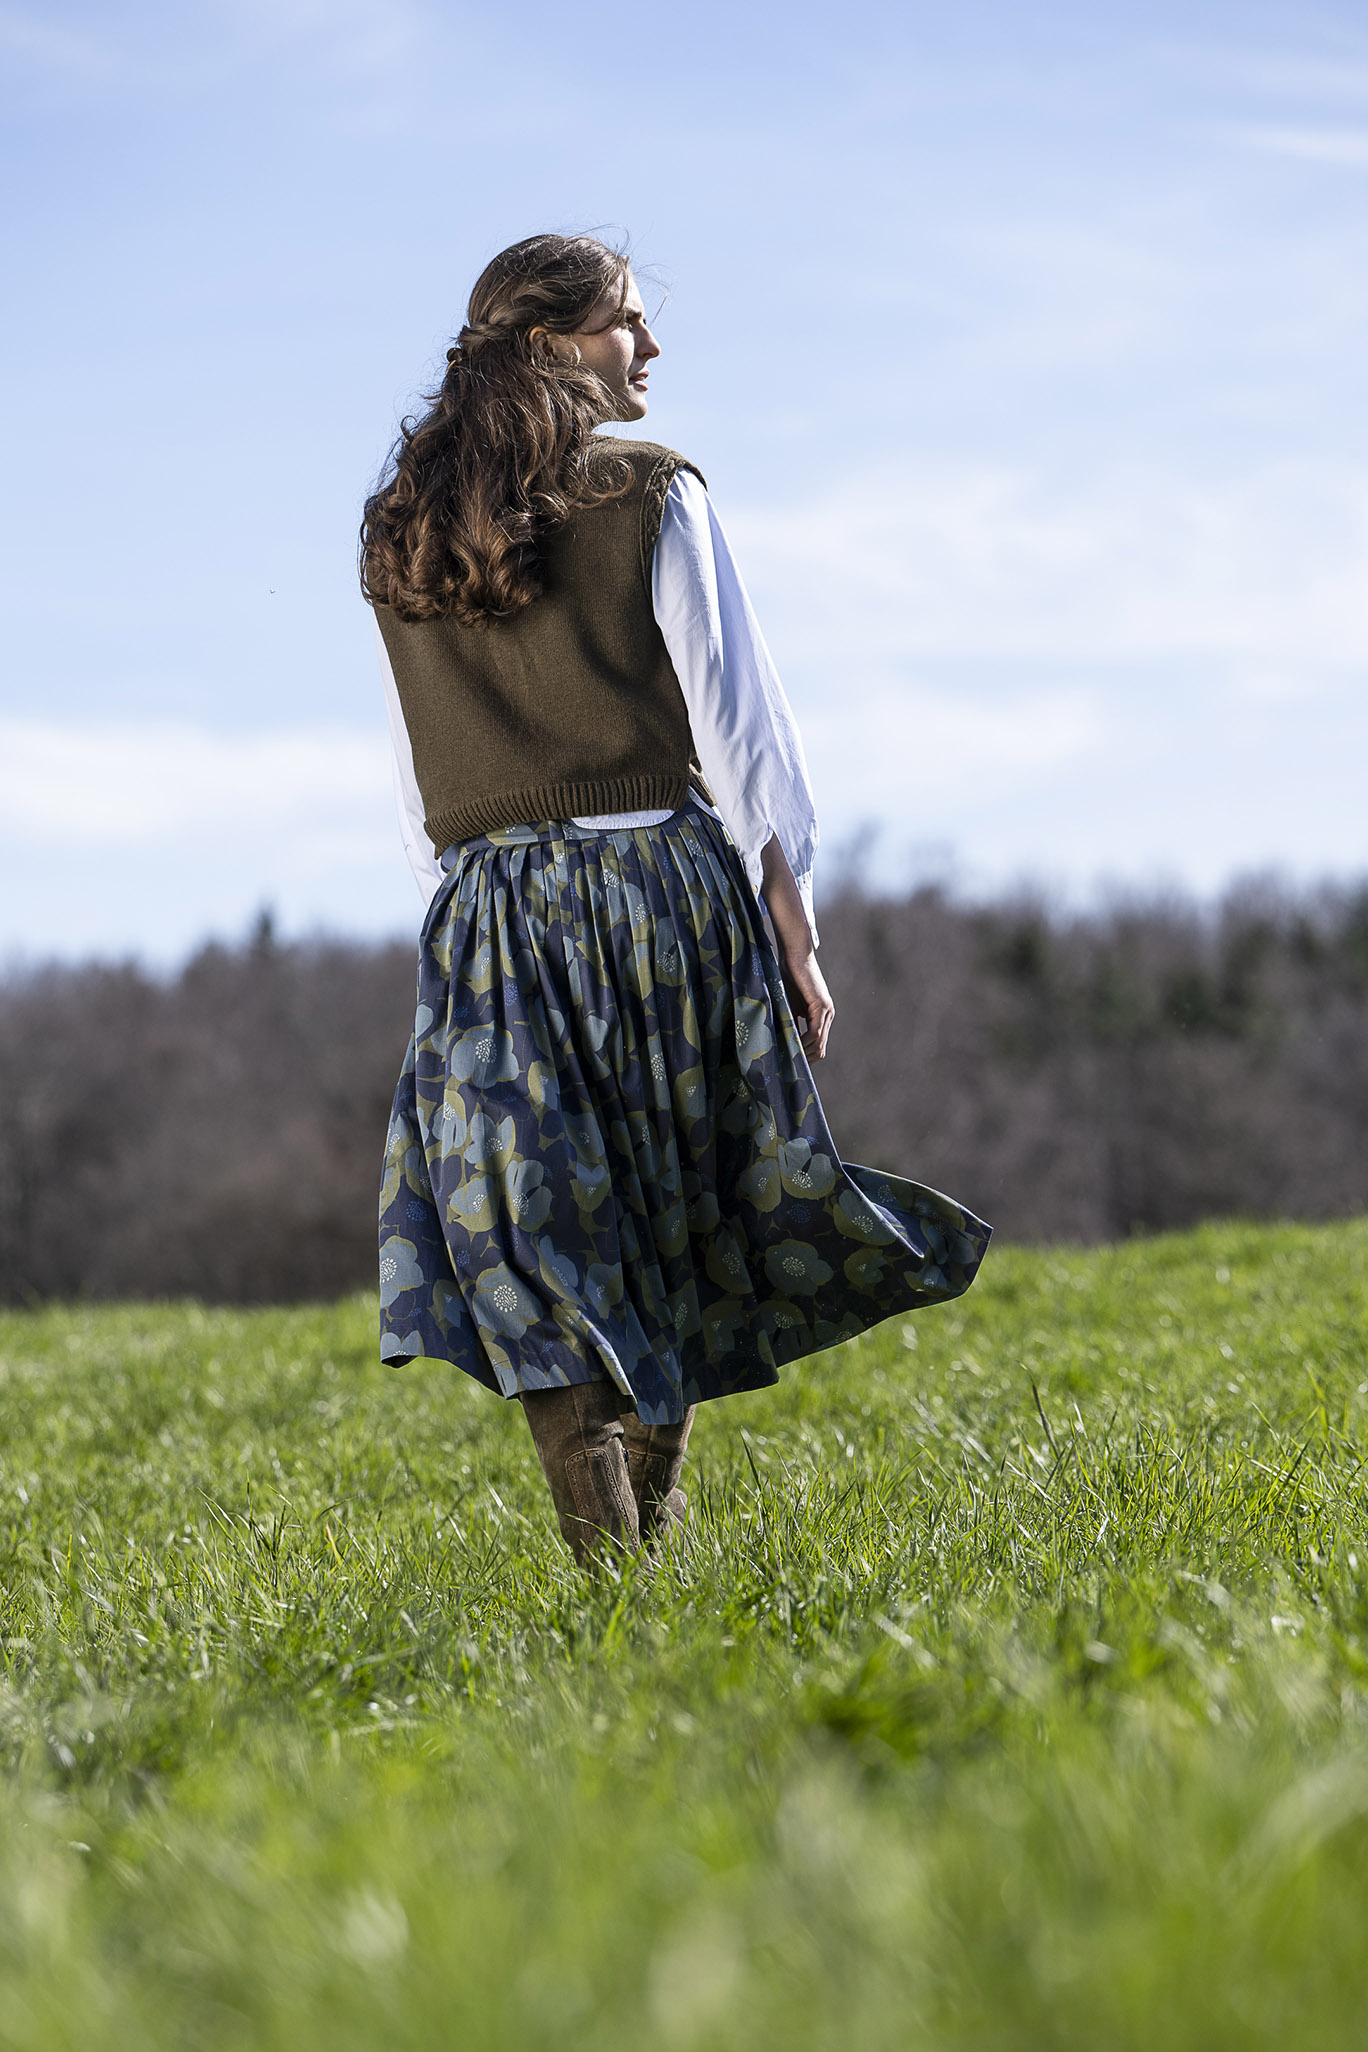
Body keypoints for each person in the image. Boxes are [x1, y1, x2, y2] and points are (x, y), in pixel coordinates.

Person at [360, 233, 990, 1571]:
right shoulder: (651, 490)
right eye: (624, 325)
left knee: (531, 1231)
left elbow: (408, 762)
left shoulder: (400, 521)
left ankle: (625, 1571)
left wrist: (459, 919)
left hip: (487, 915)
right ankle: (631, 1564)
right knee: (667, 1211)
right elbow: (741, 725)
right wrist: (792, 921)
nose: (649, 350)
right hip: (656, 889)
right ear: (547, 344)